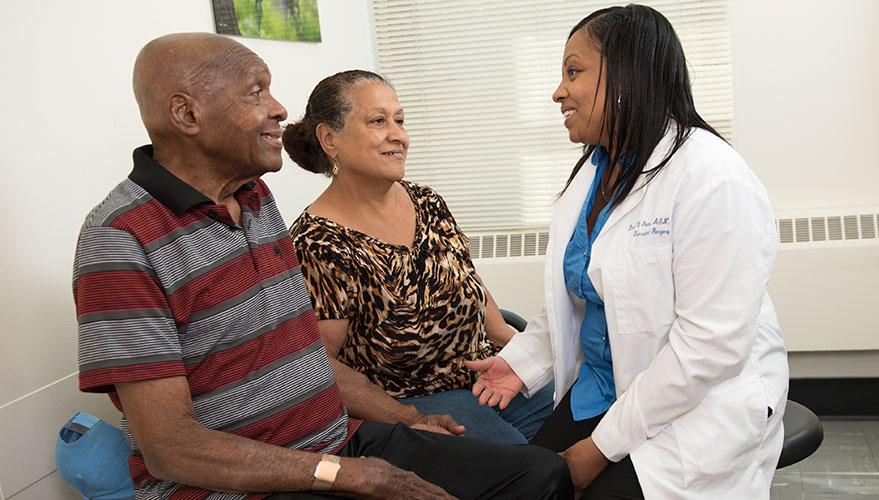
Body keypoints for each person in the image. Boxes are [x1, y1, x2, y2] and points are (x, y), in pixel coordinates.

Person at [72, 32, 572, 500]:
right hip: (245, 484)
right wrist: (342, 473)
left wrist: (407, 419)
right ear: (186, 114)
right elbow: (170, 449)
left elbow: (309, 355)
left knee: (543, 475)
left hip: (338, 442)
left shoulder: (255, 199)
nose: (280, 109)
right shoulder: (120, 239)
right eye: (255, 93)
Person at [467, 5, 789, 499]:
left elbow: (709, 347)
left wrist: (600, 448)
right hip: (606, 387)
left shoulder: (711, 179)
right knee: (531, 486)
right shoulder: (594, 173)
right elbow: (575, 297)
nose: (558, 91)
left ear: (626, 74)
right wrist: (522, 361)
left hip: (697, 407)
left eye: (574, 71)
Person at [282, 70, 554, 445]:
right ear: (330, 139)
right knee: (534, 473)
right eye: (378, 121)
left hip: (485, 368)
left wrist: (515, 346)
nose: (398, 135)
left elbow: (467, 281)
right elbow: (321, 365)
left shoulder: (427, 201)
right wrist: (407, 419)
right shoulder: (317, 243)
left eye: (400, 120)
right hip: (419, 398)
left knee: (585, 428)